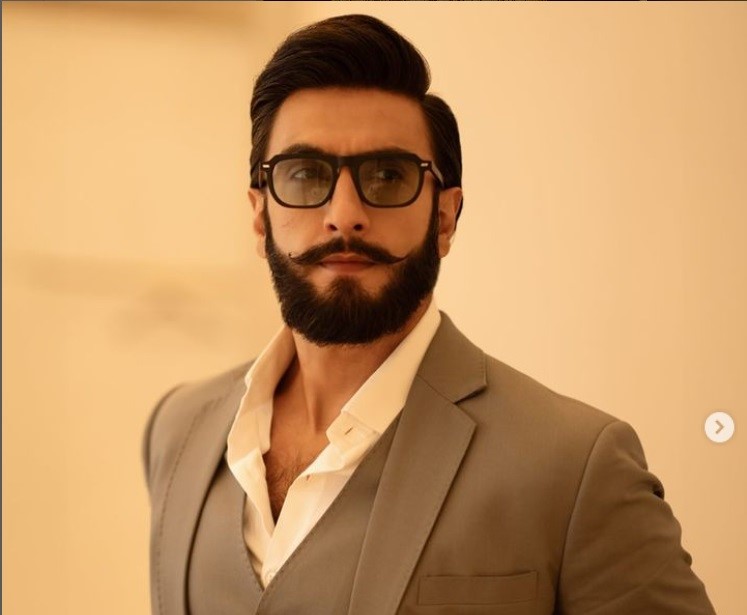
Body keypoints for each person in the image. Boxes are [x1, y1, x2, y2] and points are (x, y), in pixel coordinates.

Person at [143, 14, 715, 615]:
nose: (344, 214)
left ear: (444, 218)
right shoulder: (178, 431)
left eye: (388, 176)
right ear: (260, 217)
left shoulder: (575, 469)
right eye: (305, 175)